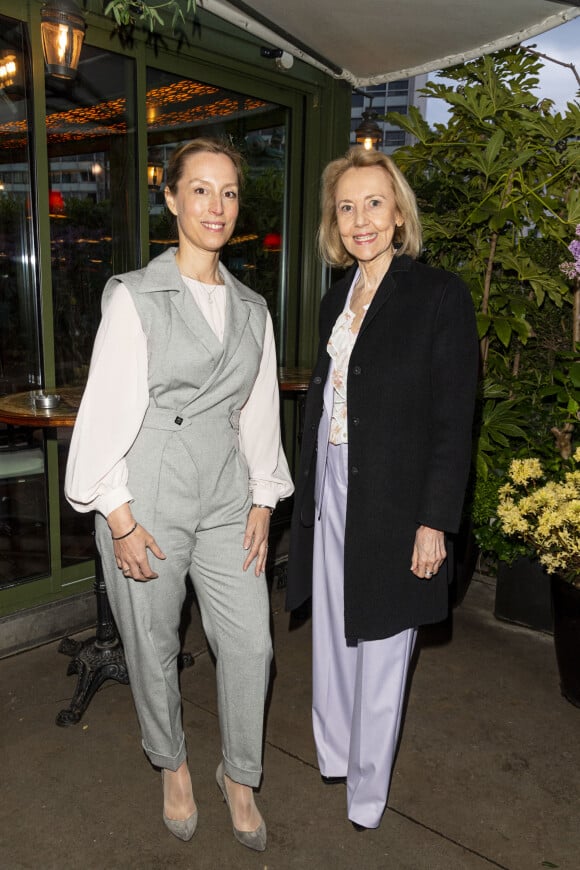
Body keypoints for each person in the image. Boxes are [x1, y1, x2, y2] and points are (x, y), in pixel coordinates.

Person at [65, 137, 293, 851]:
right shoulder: (136, 296)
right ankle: (172, 763)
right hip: (147, 492)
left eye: (228, 192)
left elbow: (258, 412)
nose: (216, 206)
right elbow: (104, 410)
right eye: (200, 190)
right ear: (171, 199)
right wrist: (120, 518)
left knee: (252, 643)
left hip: (226, 492)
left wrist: (263, 498)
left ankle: (241, 774)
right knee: (153, 643)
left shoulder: (254, 308)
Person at [285, 146, 478, 830]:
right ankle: (333, 754)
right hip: (335, 482)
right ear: (333, 225)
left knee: (385, 642)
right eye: (346, 207)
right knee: (334, 629)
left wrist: (435, 522)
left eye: (373, 203)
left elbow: (456, 421)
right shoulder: (337, 298)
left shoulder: (438, 296)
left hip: (397, 498)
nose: (360, 219)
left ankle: (366, 793)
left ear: (398, 214)